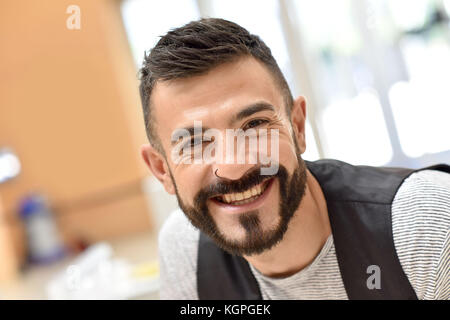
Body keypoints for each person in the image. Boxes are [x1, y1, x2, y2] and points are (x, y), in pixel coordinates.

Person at [138, 18, 449, 300]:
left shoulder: (425, 224)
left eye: (255, 125)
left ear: (298, 127)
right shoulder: (186, 251)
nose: (233, 166)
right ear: (162, 170)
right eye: (194, 143)